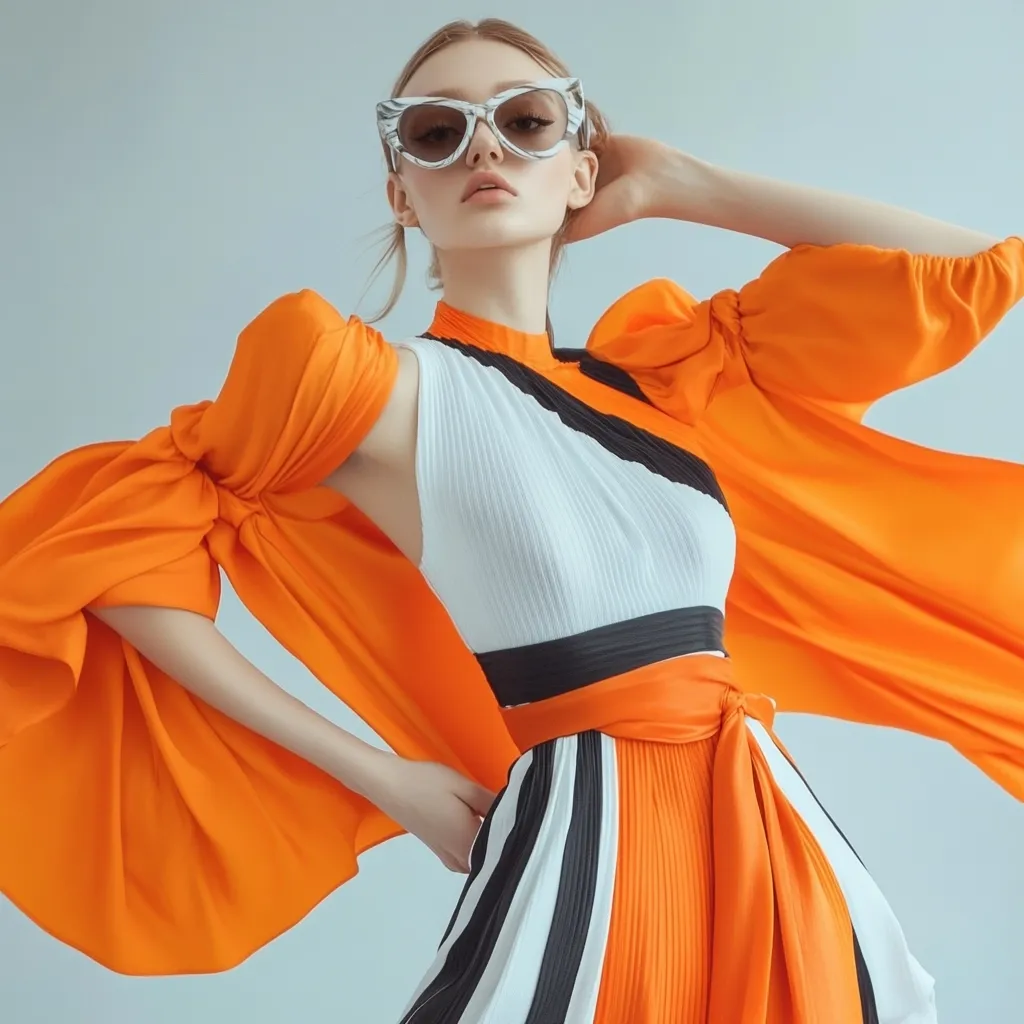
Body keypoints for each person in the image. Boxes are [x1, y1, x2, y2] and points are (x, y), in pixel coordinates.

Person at [1, 15, 1022, 1024]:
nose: (483, 144)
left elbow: (973, 269)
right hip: (584, 818)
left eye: (526, 120)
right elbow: (100, 547)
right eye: (438, 131)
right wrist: (382, 778)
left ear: (581, 169)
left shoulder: (668, 383)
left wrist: (681, 183)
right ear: (403, 193)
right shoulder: (372, 386)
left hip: (761, 816)